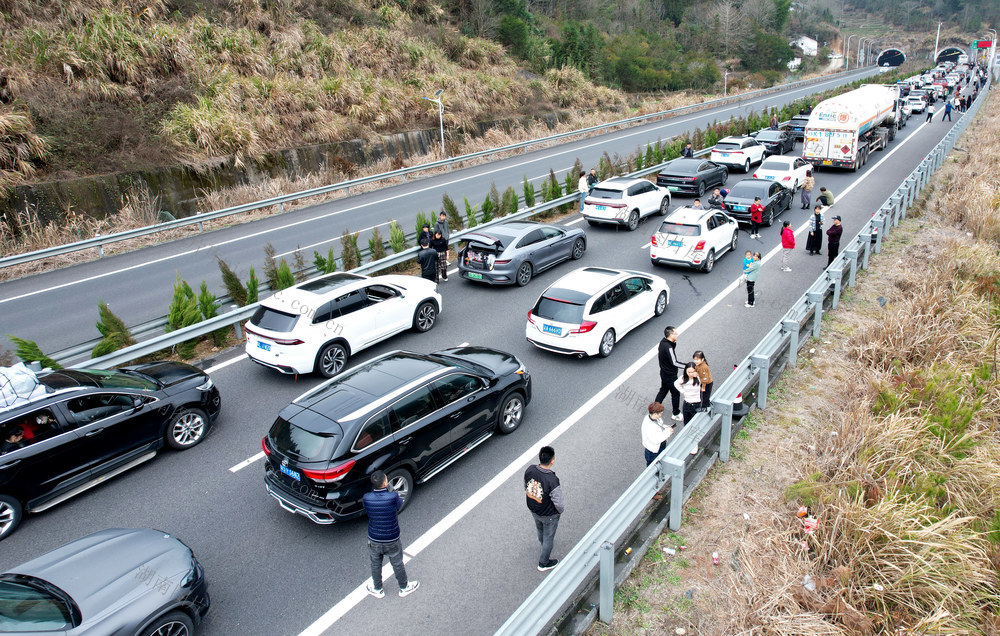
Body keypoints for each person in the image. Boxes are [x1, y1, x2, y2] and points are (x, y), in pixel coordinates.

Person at [363, 471, 420, 598]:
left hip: (374, 538)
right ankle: (404, 587)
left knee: (375, 563)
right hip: (392, 537)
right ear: (384, 482)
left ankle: (377, 588)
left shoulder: (367, 497)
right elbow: (399, 506)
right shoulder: (392, 496)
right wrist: (391, 491)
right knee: (397, 563)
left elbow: (367, 509)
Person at [524, 446, 564, 571]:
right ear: (552, 460)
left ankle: (543, 545)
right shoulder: (552, 480)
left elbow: (526, 486)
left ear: (540, 457)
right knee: (549, 538)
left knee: (539, 529)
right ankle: (543, 562)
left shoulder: (530, 470)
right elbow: (559, 502)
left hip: (534, 509)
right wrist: (559, 512)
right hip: (549, 514)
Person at [655, 326, 686, 422]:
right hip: (670, 375)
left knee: (663, 390)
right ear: (671, 335)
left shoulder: (663, 342)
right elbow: (674, 362)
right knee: (675, 393)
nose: (677, 335)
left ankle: (654, 409)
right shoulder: (668, 347)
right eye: (675, 334)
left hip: (664, 372)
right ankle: (676, 413)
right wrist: (687, 366)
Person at [641, 402, 672, 468]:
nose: (661, 415)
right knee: (652, 468)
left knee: (660, 464)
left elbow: (660, 425)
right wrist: (668, 432)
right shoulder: (649, 426)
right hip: (653, 451)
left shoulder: (654, 418)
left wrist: (667, 428)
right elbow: (656, 440)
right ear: (655, 414)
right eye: (660, 414)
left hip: (659, 446)